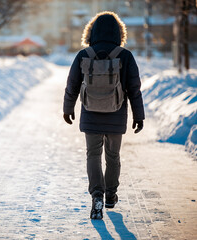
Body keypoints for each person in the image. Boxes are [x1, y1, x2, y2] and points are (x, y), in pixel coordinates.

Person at [63, 11, 145, 220]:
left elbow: (72, 85)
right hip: (116, 114)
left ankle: (97, 195)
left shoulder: (84, 55)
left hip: (90, 114)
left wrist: (68, 108)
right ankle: (111, 195)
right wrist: (138, 115)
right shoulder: (124, 56)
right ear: (119, 33)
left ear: (92, 31)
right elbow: (134, 89)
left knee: (93, 155)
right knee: (113, 156)